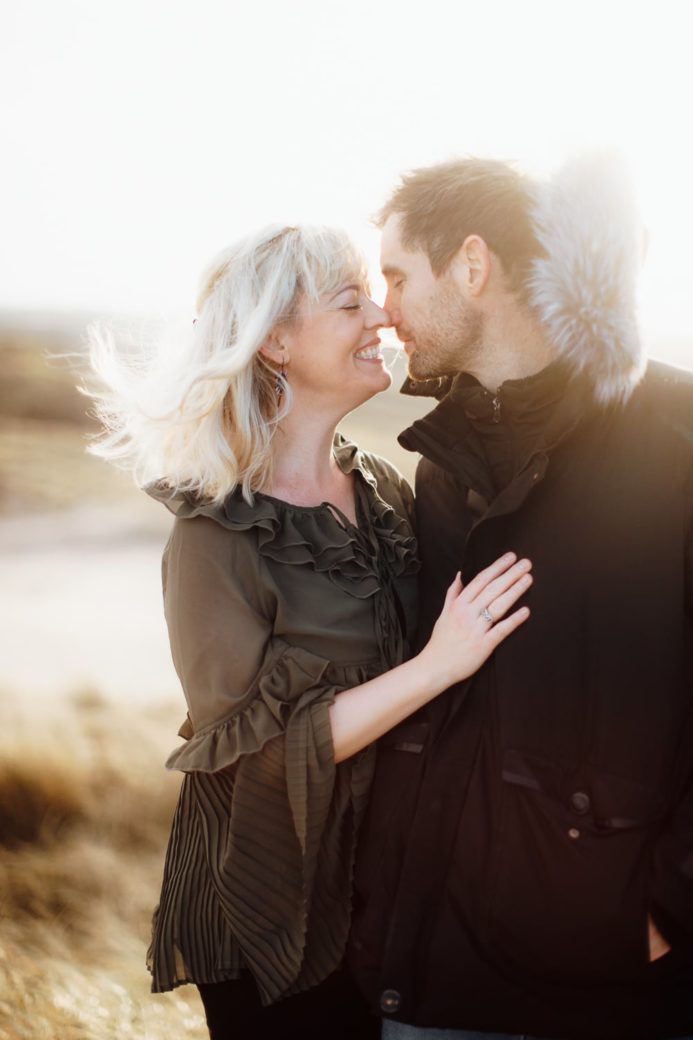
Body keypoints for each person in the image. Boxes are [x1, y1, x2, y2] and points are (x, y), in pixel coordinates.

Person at [87, 224, 532, 1040]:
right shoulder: (212, 535)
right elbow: (260, 752)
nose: (383, 319)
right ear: (276, 344)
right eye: (349, 301)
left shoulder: (387, 491)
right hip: (269, 898)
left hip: (388, 886)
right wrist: (438, 666)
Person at [348, 155, 693, 1040]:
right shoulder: (438, 468)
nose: (383, 307)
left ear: (471, 265)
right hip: (425, 978)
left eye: (394, 274)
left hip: (607, 988)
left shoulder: (675, 441)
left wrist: (664, 913)